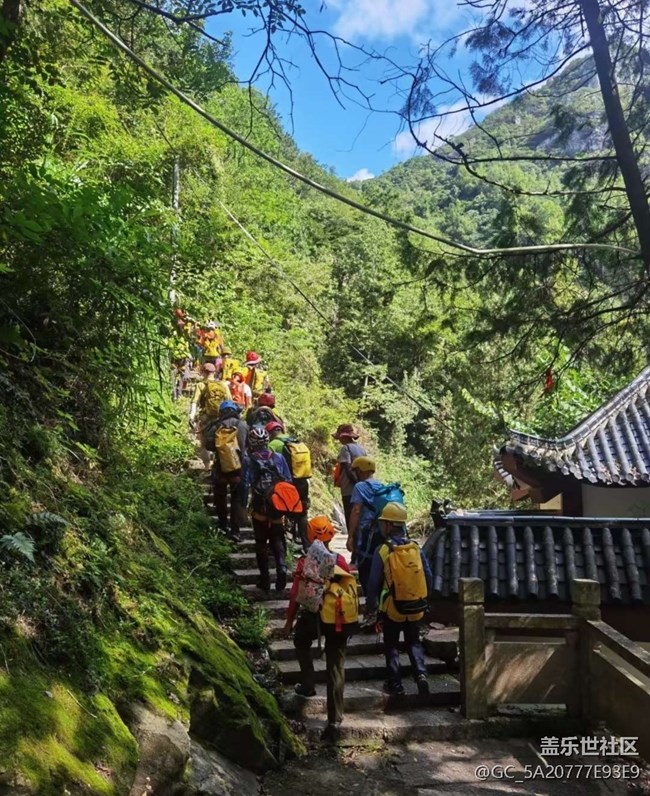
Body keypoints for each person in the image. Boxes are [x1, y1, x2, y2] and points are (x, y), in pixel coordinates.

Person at [284, 516, 354, 743]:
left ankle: (308, 684)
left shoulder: (306, 561)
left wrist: (289, 621)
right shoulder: (340, 561)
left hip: (312, 615)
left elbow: (296, 594)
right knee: (336, 666)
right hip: (337, 618)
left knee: (300, 641)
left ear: (309, 535)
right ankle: (335, 719)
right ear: (331, 535)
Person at [365, 502, 432, 696]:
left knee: (392, 645)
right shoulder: (416, 548)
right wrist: (424, 600)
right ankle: (421, 674)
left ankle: (395, 683)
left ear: (388, 525)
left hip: (392, 608)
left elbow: (373, 584)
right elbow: (427, 576)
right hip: (416, 607)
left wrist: (371, 608)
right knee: (414, 642)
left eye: (383, 522)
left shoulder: (383, 550)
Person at [243, 427, 292, 592]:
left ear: (251, 443)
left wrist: (243, 504)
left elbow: (245, 484)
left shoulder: (249, 460)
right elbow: (288, 481)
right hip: (277, 504)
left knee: (261, 541)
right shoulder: (278, 457)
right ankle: (282, 567)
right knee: (278, 538)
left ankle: (264, 579)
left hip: (259, 506)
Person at [268, 420, 311, 550]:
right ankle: (306, 544)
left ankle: (284, 544)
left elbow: (270, 464)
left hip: (287, 484)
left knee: (281, 511)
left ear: (270, 433)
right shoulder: (296, 441)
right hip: (302, 481)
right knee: (302, 513)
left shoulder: (273, 444)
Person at [212, 400, 249, 543]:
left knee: (220, 496)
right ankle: (235, 531)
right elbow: (248, 444)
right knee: (236, 499)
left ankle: (223, 525)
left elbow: (208, 444)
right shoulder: (243, 425)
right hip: (238, 468)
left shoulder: (217, 425)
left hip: (221, 468)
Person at [346, 456, 383, 593]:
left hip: (366, 533)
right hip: (382, 531)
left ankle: (369, 598)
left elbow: (356, 511)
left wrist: (350, 536)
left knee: (365, 568)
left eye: (357, 470)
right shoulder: (381, 486)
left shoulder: (360, 486)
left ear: (361, 470)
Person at [189, 363, 232, 467]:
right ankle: (218, 466)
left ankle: (207, 467)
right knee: (220, 442)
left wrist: (191, 416)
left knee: (203, 444)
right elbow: (230, 401)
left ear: (203, 372)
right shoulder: (223, 385)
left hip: (205, 417)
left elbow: (194, 402)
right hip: (221, 418)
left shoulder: (201, 385)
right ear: (214, 372)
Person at [332, 424, 366, 531]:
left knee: (350, 516)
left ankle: (352, 538)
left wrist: (356, 484)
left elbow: (347, 467)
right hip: (363, 488)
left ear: (344, 436)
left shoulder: (345, 448)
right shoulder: (361, 449)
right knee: (359, 516)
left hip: (349, 489)